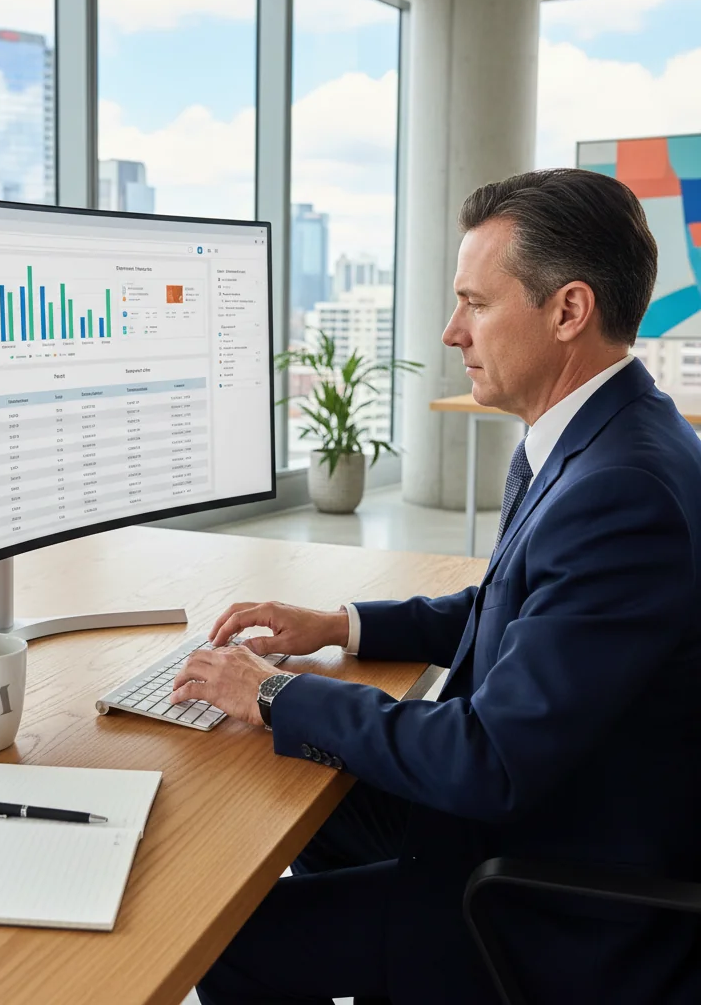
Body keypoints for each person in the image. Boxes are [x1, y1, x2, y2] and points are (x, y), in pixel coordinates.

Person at [171, 168, 701, 1004]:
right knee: (310, 782)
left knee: (222, 938)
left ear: (568, 311)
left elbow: (488, 758)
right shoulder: (605, 434)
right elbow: (503, 610)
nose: (452, 331)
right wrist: (338, 626)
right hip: (543, 812)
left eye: (476, 303)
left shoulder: (620, 491)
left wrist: (272, 695)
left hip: (552, 894)